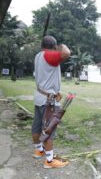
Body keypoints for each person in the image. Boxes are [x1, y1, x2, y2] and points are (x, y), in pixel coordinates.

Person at [32, 36, 71, 168]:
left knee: (36, 126)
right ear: (53, 47)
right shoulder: (50, 55)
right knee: (49, 129)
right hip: (49, 100)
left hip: (39, 97)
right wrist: (60, 44)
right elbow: (66, 53)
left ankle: (39, 150)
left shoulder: (38, 55)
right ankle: (49, 161)